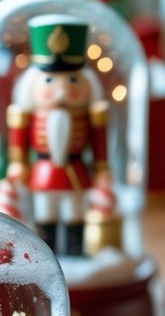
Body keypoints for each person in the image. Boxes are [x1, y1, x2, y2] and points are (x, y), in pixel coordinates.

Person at [7, 15, 110, 257]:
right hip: (44, 174)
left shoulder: (88, 114)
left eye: (73, 80)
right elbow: (18, 140)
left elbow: (98, 143)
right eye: (50, 80)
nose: (62, 90)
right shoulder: (29, 113)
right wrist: (18, 162)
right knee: (45, 215)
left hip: (76, 173)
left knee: (75, 215)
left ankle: (74, 254)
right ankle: (48, 256)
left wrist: (102, 169)